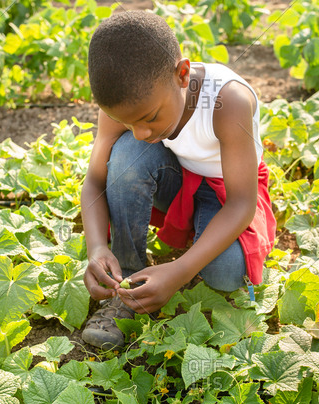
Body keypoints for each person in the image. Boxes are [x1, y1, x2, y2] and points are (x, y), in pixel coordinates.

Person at [80, 10, 276, 349]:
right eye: (127, 123)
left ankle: (187, 257)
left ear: (182, 74)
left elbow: (242, 203)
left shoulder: (227, 101)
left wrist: (181, 271)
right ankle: (125, 282)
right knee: (127, 157)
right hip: (174, 179)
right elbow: (94, 183)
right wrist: (96, 247)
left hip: (226, 193)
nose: (140, 132)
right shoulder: (124, 104)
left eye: (150, 118)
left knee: (226, 273)